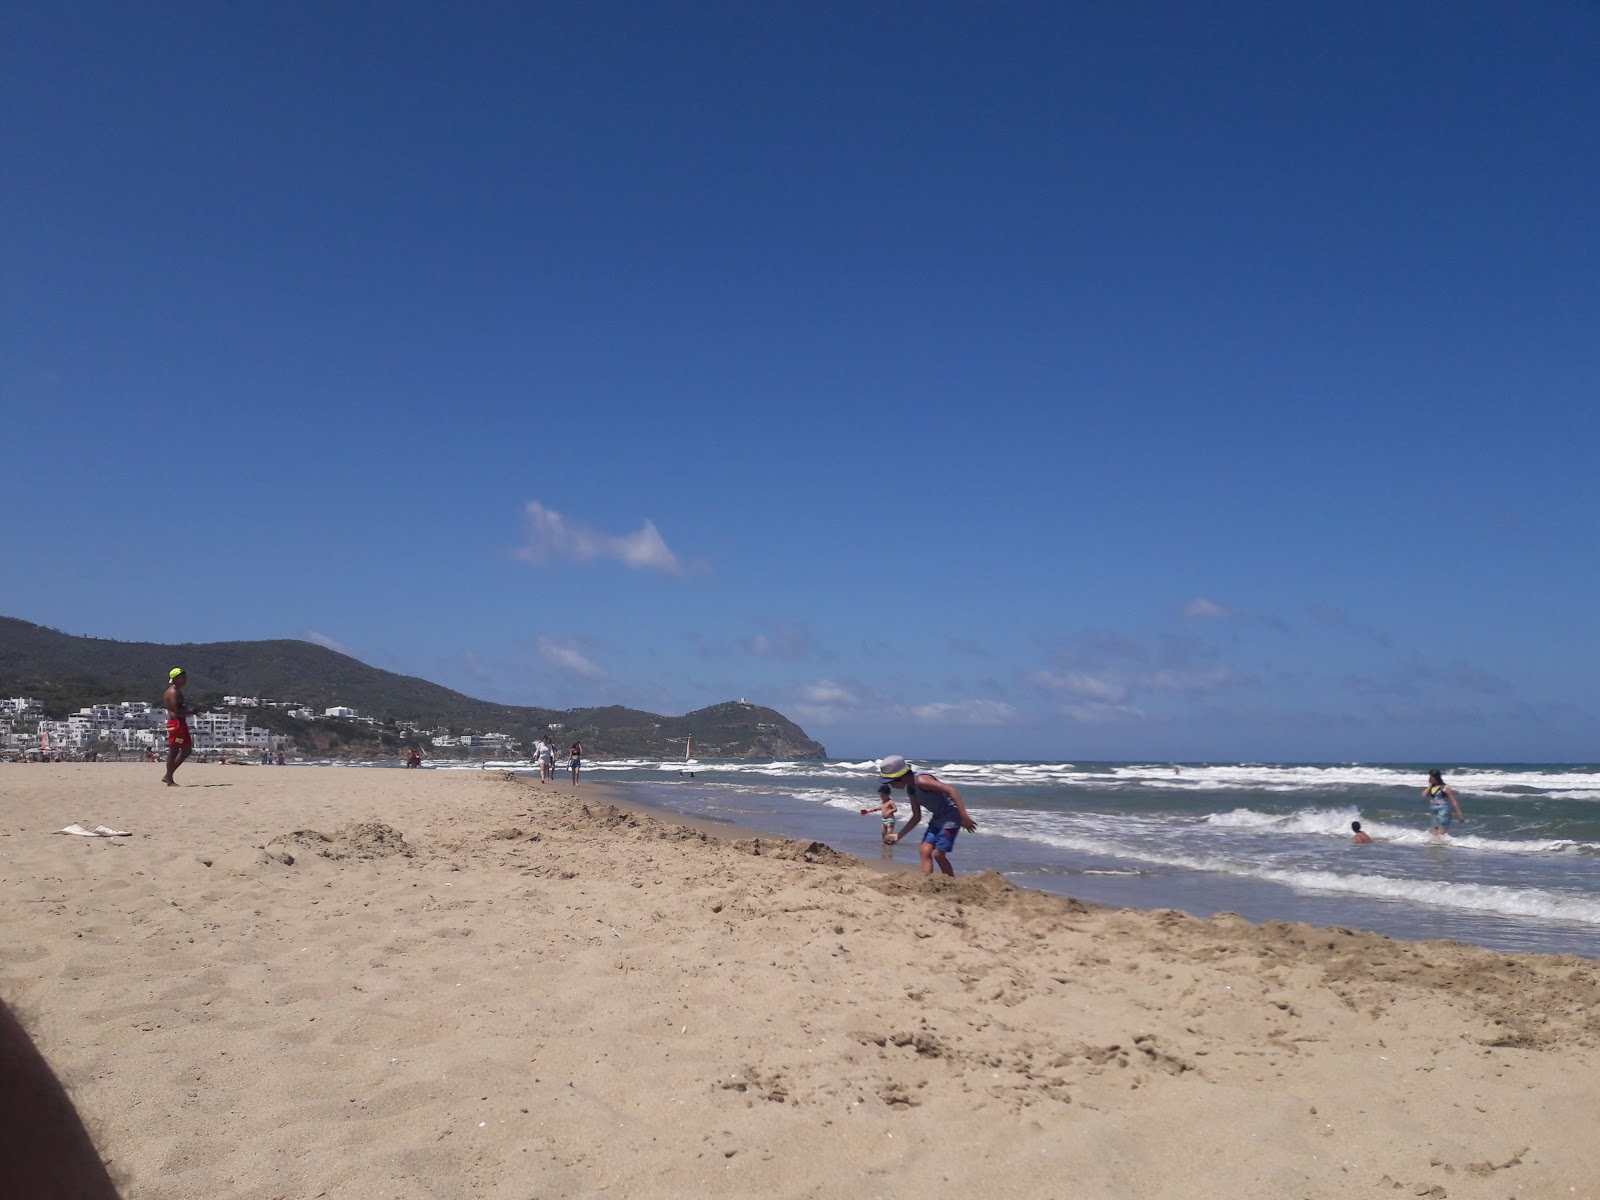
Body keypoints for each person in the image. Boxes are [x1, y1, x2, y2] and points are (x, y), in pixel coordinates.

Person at [877, 755, 977, 876]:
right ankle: (926, 880)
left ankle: (950, 881)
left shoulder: (922, 781)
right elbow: (916, 817)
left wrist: (964, 817)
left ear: (900, 777)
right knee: (924, 850)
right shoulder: (911, 790)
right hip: (937, 818)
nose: (891, 786)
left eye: (891, 782)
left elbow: (951, 790)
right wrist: (899, 836)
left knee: (938, 854)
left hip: (951, 817)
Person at [160, 668, 199, 786]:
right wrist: (192, 712)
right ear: (176, 678)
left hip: (180, 724)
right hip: (176, 724)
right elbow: (176, 712)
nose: (185, 679)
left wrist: (189, 711)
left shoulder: (177, 691)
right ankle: (169, 778)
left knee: (187, 750)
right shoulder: (173, 692)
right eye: (183, 677)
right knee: (174, 750)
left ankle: (168, 775)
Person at [1422, 769, 1465, 837]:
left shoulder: (1445, 787)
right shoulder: (1432, 787)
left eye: (1431, 777)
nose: (1429, 778)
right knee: (1433, 832)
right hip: (1434, 811)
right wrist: (1430, 785)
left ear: (1435, 777)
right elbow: (1424, 795)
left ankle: (1442, 846)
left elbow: (1453, 800)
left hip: (1443, 810)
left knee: (1441, 832)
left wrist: (1459, 814)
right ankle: (1436, 846)